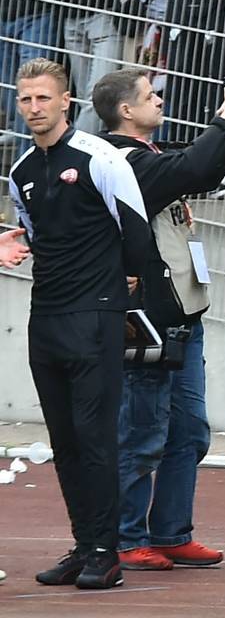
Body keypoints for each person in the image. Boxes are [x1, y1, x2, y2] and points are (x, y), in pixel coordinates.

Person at [100, 69, 225, 573]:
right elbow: (195, 167)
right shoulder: (122, 163)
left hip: (184, 317)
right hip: (147, 319)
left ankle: (171, 532)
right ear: (125, 110)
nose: (160, 101)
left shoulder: (149, 156)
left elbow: (202, 171)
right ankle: (127, 538)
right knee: (141, 434)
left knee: (188, 432)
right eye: (150, 96)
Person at [4, 59, 149, 590]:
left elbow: (136, 229)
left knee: (94, 437)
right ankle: (85, 543)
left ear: (66, 101)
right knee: (64, 441)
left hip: (95, 314)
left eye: (43, 98)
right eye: (25, 99)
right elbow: (37, 234)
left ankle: (107, 551)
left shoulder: (100, 157)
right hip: (46, 316)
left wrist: (129, 285)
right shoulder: (20, 171)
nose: (34, 108)